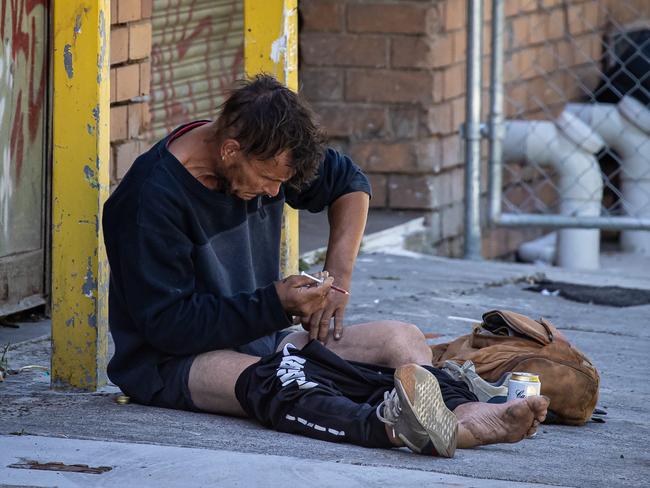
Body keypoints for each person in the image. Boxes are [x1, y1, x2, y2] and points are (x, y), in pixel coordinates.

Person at [103, 74, 548, 457]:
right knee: (283, 378)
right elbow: (169, 326)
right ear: (230, 150)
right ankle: (394, 427)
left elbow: (349, 183)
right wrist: (276, 302)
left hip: (259, 340)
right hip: (172, 365)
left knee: (401, 338)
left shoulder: (265, 154)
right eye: (270, 181)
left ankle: (460, 414)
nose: (277, 194)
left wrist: (338, 282)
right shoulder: (149, 200)